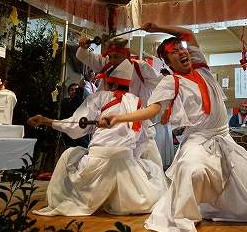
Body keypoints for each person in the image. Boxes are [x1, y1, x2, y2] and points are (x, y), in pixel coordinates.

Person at [99, 23, 247, 232]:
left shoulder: (202, 68)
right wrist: (119, 117)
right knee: (192, 169)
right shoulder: (171, 82)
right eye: (174, 52)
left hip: (223, 139)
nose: (182, 52)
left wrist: (156, 27)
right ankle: (183, 215)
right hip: (198, 140)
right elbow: (151, 109)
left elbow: (187, 33)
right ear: (167, 61)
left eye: (182, 49)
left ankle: (210, 207)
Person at [27, 64, 166, 217]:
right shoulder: (137, 103)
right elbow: (142, 139)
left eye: (103, 83)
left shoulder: (100, 97)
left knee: (70, 155)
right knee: (151, 170)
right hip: (125, 164)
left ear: (111, 84)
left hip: (96, 162)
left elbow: (75, 125)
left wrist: (47, 121)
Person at [77, 36, 167, 167]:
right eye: (111, 56)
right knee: (103, 156)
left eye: (117, 56)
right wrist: (84, 46)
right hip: (109, 117)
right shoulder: (106, 63)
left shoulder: (140, 67)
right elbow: (84, 56)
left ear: (127, 55)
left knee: (144, 156)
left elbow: (161, 85)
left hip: (135, 117)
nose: (113, 60)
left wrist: (165, 108)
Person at [59, 83, 89, 148]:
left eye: (76, 90)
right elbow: (74, 105)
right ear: (68, 92)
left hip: (82, 132)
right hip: (69, 132)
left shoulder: (84, 103)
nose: (74, 91)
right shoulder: (65, 102)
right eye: (72, 90)